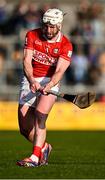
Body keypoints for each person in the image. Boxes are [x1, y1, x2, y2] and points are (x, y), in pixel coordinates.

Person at [16, 8, 73, 167]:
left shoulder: (65, 45)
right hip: (30, 79)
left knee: (40, 117)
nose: (48, 30)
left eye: (52, 27)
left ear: (59, 25)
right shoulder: (32, 35)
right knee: (25, 128)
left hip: (50, 81)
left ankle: (35, 158)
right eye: (46, 26)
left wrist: (49, 85)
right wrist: (32, 81)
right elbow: (27, 61)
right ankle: (44, 147)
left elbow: (60, 71)